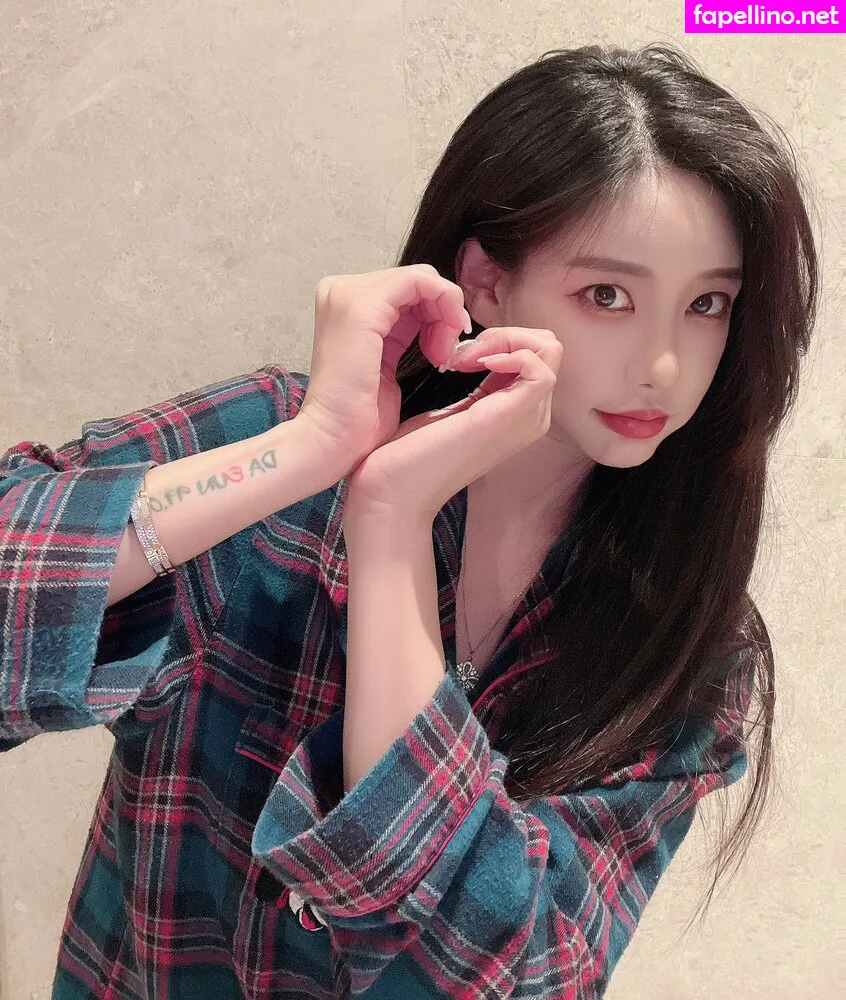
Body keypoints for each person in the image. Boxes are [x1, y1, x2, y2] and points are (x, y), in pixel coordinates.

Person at [0, 41, 818, 1000]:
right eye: (608, 295)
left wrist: (390, 526)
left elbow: (511, 976)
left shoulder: (686, 640)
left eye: (708, 304)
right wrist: (308, 452)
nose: (664, 366)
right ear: (486, 282)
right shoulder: (280, 452)